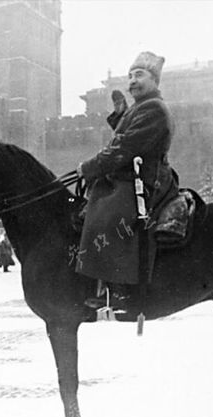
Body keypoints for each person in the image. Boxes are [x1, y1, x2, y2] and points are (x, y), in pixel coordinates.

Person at [75, 51, 179, 309]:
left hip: (146, 181)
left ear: (155, 81)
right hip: (133, 177)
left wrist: (89, 167)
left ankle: (119, 289)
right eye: (130, 75)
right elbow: (128, 136)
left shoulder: (154, 108)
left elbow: (125, 148)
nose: (132, 81)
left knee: (107, 214)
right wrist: (120, 117)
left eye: (140, 75)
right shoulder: (142, 108)